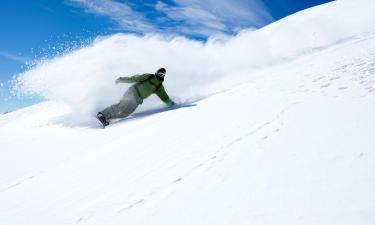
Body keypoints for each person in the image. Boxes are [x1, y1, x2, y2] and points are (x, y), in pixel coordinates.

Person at [96, 68, 175, 127]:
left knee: (125, 113)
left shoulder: (159, 86)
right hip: (133, 92)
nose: (160, 76)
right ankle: (102, 114)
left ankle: (108, 118)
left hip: (138, 99)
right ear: (156, 73)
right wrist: (121, 79)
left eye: (162, 75)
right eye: (159, 74)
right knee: (122, 105)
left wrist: (172, 104)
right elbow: (134, 78)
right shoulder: (149, 76)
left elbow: (164, 96)